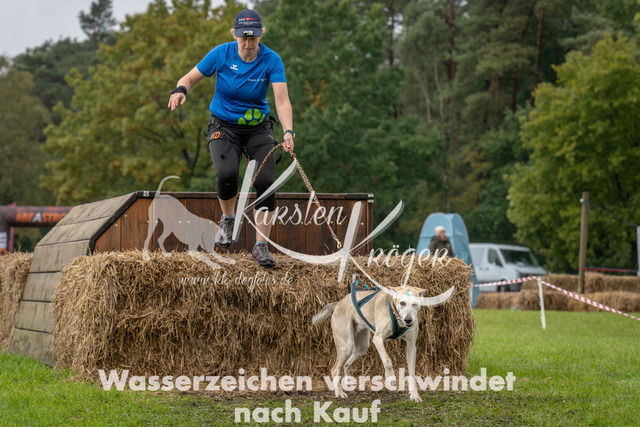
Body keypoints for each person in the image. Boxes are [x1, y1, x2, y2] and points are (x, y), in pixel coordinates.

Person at [168, 9, 294, 267]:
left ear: (260, 36)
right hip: (223, 126)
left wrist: (288, 131)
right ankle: (228, 219)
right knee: (227, 174)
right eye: (243, 38)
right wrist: (180, 89)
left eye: (253, 39)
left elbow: (282, 100)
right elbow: (190, 78)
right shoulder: (221, 54)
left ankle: (261, 246)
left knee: (266, 181)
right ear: (235, 35)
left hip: (258, 128)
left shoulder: (272, 59)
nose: (248, 44)